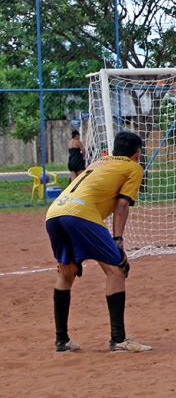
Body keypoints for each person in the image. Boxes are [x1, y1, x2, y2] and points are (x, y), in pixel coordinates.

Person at [45, 130, 152, 352]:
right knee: (117, 269)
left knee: (66, 273)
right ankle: (119, 340)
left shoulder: (100, 161)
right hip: (81, 214)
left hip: (54, 212)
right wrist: (118, 240)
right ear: (137, 154)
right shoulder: (133, 167)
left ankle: (62, 340)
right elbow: (122, 205)